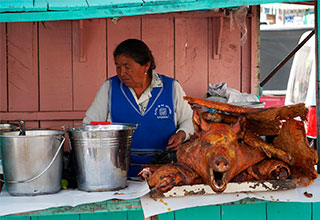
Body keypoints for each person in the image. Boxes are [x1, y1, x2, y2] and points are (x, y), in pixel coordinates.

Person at [83, 39, 194, 177]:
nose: (122, 73)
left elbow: (189, 120)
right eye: (118, 67)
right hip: (119, 173)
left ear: (146, 65)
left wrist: (182, 134)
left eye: (127, 67)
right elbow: (89, 125)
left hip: (164, 172)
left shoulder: (171, 87)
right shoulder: (110, 88)